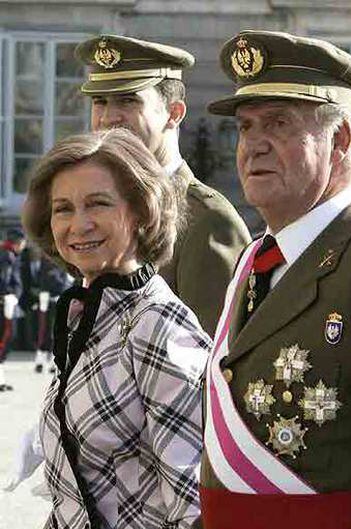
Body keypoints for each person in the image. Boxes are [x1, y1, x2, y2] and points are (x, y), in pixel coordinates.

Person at [175, 31, 351, 529]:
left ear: (341, 140)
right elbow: (227, 488)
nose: (253, 143)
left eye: (280, 123)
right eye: (246, 126)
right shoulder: (254, 264)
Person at [21, 127, 211, 529]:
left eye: (98, 203)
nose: (78, 224)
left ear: (141, 212)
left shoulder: (160, 326)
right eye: (63, 209)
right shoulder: (88, 315)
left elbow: (194, 508)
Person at [75, 33, 251, 337]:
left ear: (174, 113)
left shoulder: (207, 220)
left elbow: (212, 363)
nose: (107, 117)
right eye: (99, 101)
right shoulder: (103, 208)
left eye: (128, 100)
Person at [0, 227, 26, 391]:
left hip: (6, 301)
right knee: (6, 337)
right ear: (17, 242)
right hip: (5, 303)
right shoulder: (7, 256)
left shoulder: (8, 254)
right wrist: (7, 294)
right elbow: (4, 279)